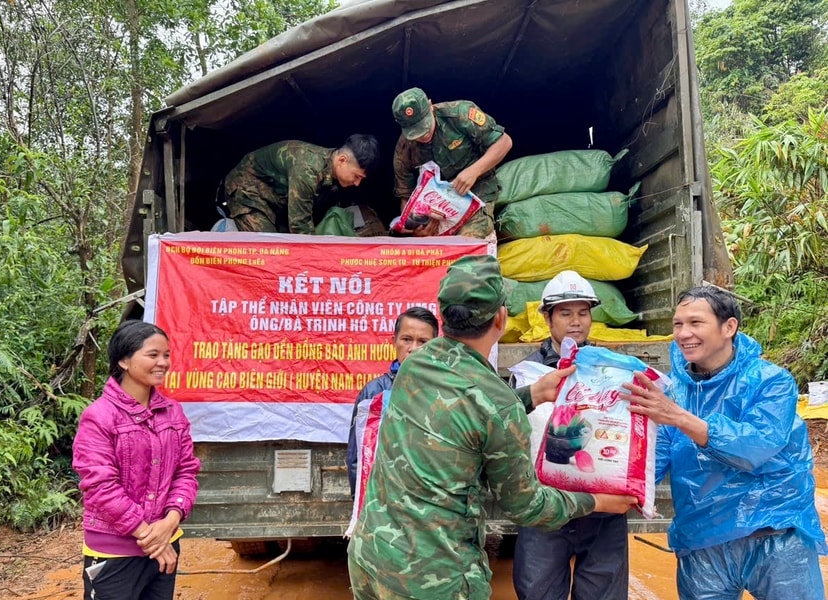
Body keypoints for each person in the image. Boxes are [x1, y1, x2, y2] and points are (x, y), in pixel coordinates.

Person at [347, 255, 636, 600]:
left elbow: (467, 408)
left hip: (371, 557)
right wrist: (595, 501)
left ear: (443, 315)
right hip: (433, 576)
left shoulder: (416, 365)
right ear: (501, 318)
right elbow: (526, 505)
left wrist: (535, 393)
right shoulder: (497, 403)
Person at [622, 286, 826, 599]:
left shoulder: (770, 381)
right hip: (703, 543)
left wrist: (680, 418)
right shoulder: (673, 393)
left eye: (695, 323)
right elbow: (649, 461)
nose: (683, 333)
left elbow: (757, 445)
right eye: (677, 324)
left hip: (774, 536)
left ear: (729, 327)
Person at [512, 271, 630, 600]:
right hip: (546, 510)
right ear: (547, 317)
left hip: (604, 510)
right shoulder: (528, 374)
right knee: (538, 593)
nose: (576, 322)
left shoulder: (612, 369)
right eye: (565, 313)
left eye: (583, 313)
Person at [73, 320, 201, 600]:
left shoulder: (173, 413)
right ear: (124, 360)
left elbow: (186, 472)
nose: (163, 362)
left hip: (166, 543)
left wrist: (170, 521)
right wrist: (150, 538)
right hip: (115, 551)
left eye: (166, 355)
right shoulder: (99, 416)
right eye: (152, 355)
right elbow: (101, 487)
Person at [391, 88, 512, 238]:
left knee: (468, 242)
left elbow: (504, 142)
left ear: (430, 105)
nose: (423, 135)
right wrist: (415, 228)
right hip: (436, 211)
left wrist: (473, 171)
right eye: (416, 132)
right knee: (429, 253)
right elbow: (406, 196)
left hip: (477, 194)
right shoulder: (404, 148)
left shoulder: (460, 115)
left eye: (425, 126)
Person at [345, 306, 439, 495]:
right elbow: (358, 458)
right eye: (406, 339)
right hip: (385, 505)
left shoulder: (444, 391)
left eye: (423, 342)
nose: (413, 348)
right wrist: (363, 508)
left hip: (431, 506)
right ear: (394, 342)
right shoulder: (374, 393)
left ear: (435, 346)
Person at [216, 134, 380, 234]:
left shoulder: (330, 173)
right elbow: (300, 227)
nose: (357, 183)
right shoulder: (308, 169)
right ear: (342, 160)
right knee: (269, 249)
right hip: (247, 191)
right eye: (356, 176)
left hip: (273, 198)